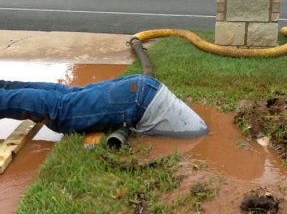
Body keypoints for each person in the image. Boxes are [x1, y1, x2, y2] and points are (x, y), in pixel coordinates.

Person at [0, 74, 208, 138]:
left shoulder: (196, 129)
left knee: (68, 96)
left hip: (142, 91)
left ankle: (4, 87)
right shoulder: (194, 132)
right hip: (140, 101)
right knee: (61, 110)